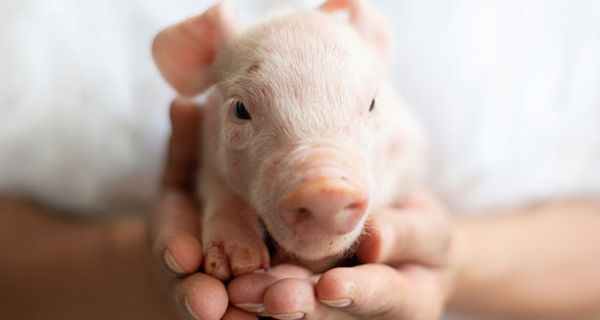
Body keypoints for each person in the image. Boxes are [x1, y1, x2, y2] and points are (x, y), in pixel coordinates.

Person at [1, 0, 599, 319]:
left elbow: (407, 156)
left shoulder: (384, 92)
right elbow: (215, 177)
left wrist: (454, 260)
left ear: (378, 60)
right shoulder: (217, 83)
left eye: (369, 103)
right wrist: (148, 266)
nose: (321, 181)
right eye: (241, 112)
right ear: (199, 59)